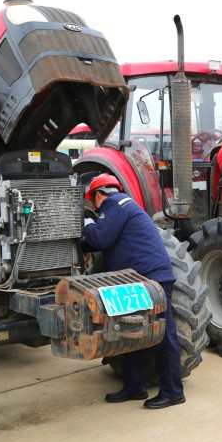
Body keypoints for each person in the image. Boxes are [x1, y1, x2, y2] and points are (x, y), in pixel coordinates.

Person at [81, 173, 185, 409]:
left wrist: (87, 224)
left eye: (93, 203)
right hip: (136, 280)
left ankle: (173, 392)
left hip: (152, 279)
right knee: (131, 331)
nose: (96, 209)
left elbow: (101, 238)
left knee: (162, 335)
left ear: (98, 195)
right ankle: (133, 385)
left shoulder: (115, 203)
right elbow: (100, 240)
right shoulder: (124, 206)